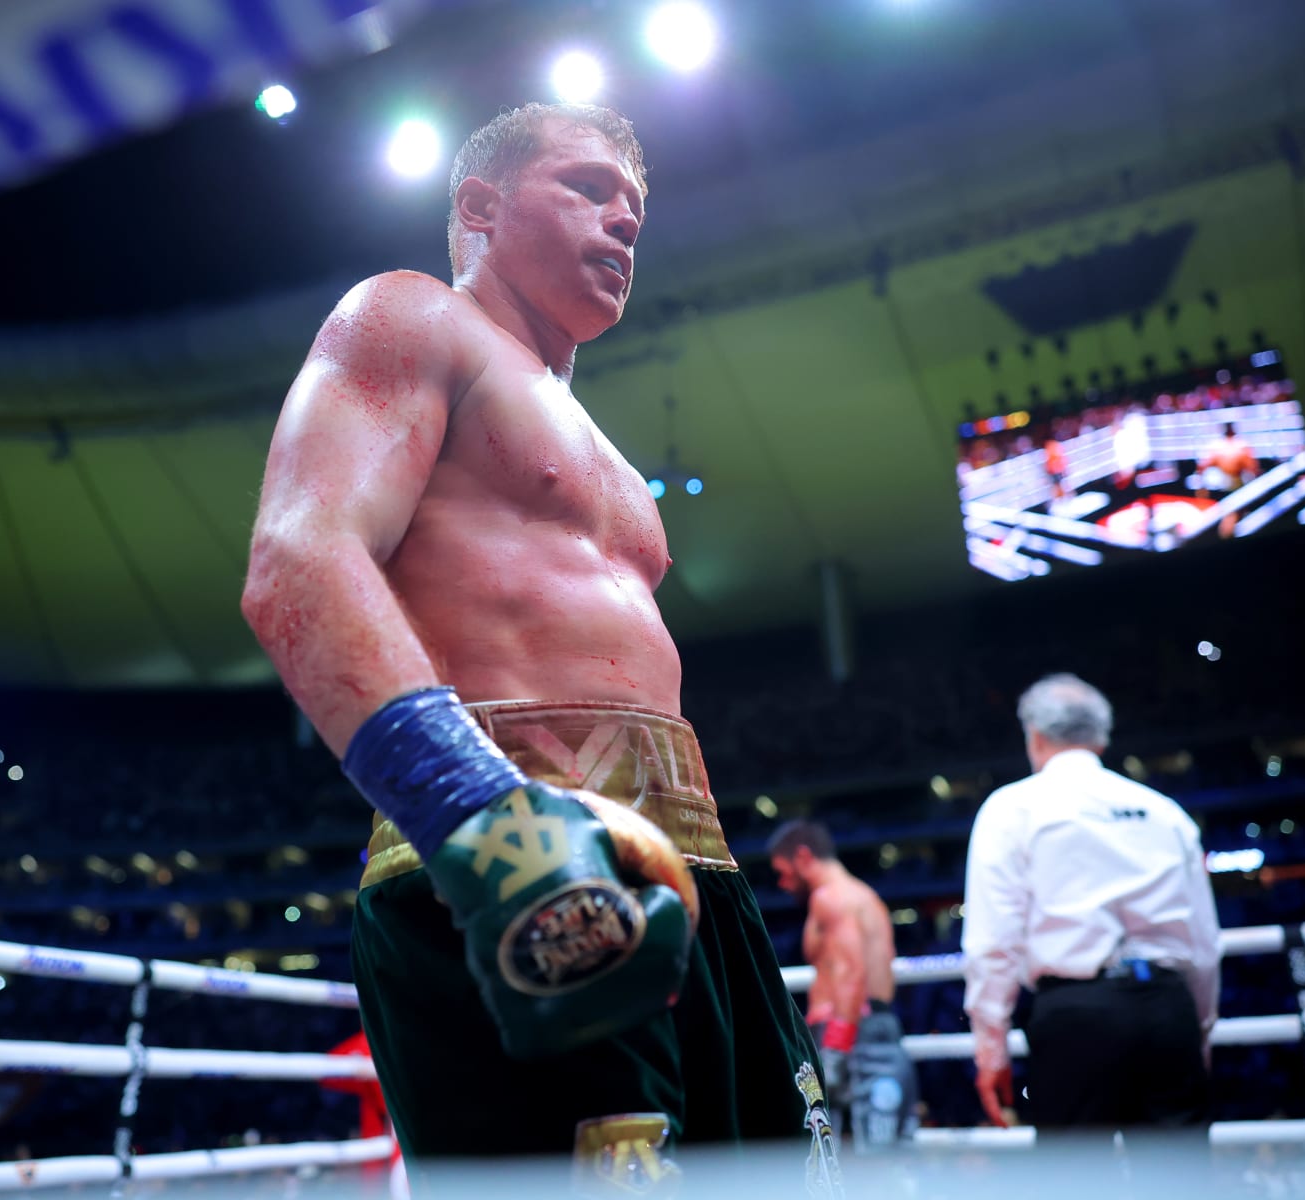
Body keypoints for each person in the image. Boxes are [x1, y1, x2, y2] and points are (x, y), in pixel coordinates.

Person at [242, 102, 833, 1194]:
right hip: (504, 865)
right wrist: (485, 828)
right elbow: (299, 557)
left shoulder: (588, 433)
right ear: (480, 206)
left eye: (637, 212)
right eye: (588, 189)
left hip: (690, 876)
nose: (623, 225)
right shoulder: (412, 317)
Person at [961, 674, 1220, 1167]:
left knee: (1074, 1181)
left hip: (1076, 1012)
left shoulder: (1012, 807)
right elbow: (1205, 944)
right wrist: (1198, 1030)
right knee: (1181, 1184)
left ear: (1034, 736)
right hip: (1167, 1009)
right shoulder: (1164, 812)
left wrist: (990, 1047)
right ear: (1100, 737)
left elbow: (994, 940)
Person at [767, 820, 920, 1152]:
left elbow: (851, 973)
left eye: (783, 871)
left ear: (803, 857)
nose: (782, 883)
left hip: (851, 1037)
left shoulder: (830, 898)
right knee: (882, 1160)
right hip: (874, 1032)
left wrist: (835, 1049)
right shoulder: (864, 895)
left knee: (852, 1162)